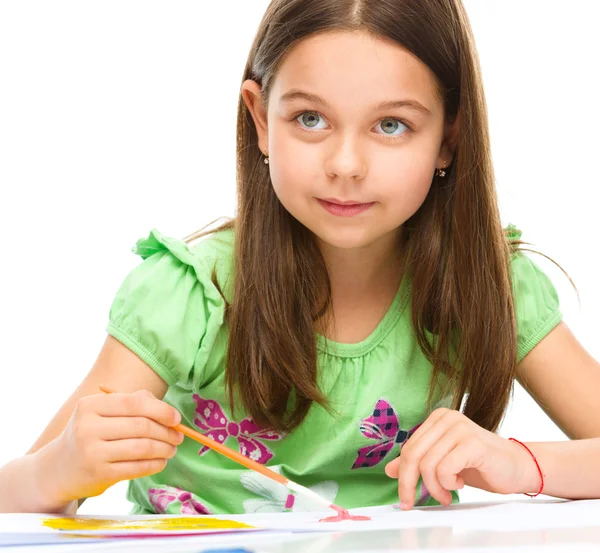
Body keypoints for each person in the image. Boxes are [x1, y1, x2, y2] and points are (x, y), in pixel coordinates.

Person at [2, 0, 600, 515]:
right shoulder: (193, 291)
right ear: (261, 120)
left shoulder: (489, 285)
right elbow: (15, 495)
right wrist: (62, 468)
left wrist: (523, 464)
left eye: (391, 125)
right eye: (310, 119)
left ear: (449, 137)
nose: (345, 164)